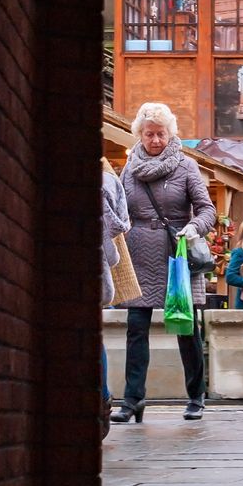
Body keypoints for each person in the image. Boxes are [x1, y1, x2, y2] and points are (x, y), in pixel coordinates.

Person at [111, 102, 216, 424]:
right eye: (149, 134)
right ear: (139, 135)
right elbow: (118, 207)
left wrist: (194, 227)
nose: (155, 140)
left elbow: (207, 209)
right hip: (139, 257)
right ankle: (132, 400)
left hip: (177, 257)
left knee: (186, 330)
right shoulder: (128, 169)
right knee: (136, 330)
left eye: (160, 134)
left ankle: (196, 396)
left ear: (171, 134)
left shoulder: (186, 166)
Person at [101, 157, 131, 439]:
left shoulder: (104, 181)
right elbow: (112, 250)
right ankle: (105, 399)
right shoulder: (114, 178)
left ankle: (104, 399)